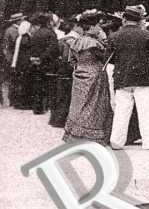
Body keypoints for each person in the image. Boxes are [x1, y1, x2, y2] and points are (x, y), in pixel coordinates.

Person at [107, 5, 149, 150]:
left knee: (121, 110)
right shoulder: (148, 35)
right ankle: (148, 142)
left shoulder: (114, 36)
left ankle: (116, 141)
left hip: (122, 77)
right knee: (146, 111)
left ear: (124, 19)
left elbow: (109, 59)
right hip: (143, 78)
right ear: (140, 20)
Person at [63, 12, 113, 145]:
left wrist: (80, 67)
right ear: (92, 27)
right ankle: (92, 137)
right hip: (95, 76)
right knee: (95, 105)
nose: (99, 28)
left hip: (79, 75)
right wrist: (104, 39)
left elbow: (71, 60)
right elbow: (106, 57)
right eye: (98, 26)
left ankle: (75, 135)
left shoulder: (76, 41)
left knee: (79, 106)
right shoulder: (94, 44)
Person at [50, 18, 81, 128]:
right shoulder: (73, 40)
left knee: (61, 95)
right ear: (76, 27)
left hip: (61, 70)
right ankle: (62, 120)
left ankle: (56, 119)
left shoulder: (62, 39)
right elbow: (67, 58)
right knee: (66, 95)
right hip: (67, 70)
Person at [28, 13, 60, 115]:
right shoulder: (51, 33)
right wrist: (43, 58)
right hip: (48, 63)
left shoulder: (36, 33)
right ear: (48, 22)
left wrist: (37, 58)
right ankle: (48, 107)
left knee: (38, 84)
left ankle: (38, 107)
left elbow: (31, 48)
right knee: (49, 85)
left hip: (36, 63)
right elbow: (54, 49)